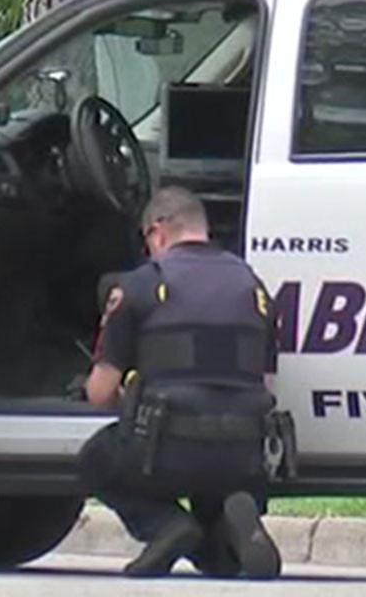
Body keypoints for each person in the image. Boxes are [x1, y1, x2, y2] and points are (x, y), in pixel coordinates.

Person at [77, 186, 282, 579]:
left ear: (158, 233)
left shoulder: (139, 285)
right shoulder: (253, 286)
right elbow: (266, 386)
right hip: (245, 454)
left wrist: (131, 398)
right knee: (220, 565)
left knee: (96, 459)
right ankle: (233, 519)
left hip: (168, 449)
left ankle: (165, 524)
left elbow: (100, 393)